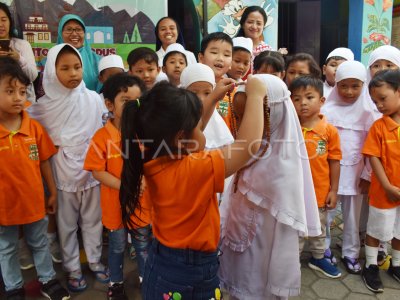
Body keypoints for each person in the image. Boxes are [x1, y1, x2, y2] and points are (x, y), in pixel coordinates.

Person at [119, 75, 265, 299]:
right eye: (198, 126)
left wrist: (214, 97)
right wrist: (256, 95)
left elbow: (191, 135)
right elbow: (246, 147)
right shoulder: (195, 168)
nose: (203, 129)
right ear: (180, 138)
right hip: (191, 271)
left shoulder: (153, 156)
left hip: (161, 263)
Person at [219, 74, 321, 300]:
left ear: (274, 114)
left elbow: (284, 236)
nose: (246, 123)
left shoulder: (284, 165)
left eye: (253, 114)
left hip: (265, 251)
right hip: (238, 238)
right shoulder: (243, 151)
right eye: (240, 116)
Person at [28, 44, 107, 292]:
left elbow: (105, 129)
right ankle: (72, 267)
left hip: (92, 168)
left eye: (77, 67)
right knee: (66, 223)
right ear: (51, 72)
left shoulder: (94, 99)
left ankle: (94, 261)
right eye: (65, 68)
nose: (73, 73)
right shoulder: (41, 107)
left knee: (94, 220)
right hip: (61, 171)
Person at [0, 61, 70, 300]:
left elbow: (44, 162)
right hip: (3, 207)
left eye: (22, 91)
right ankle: (13, 288)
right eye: (9, 91)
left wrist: (52, 192)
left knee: (39, 242)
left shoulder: (34, 128)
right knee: (7, 248)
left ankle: (48, 280)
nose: (18, 98)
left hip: (34, 201)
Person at [84, 73, 152, 299]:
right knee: (116, 247)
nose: (133, 106)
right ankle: (116, 283)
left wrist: (143, 179)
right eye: (125, 100)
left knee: (143, 245)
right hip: (115, 206)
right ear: (109, 104)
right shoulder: (102, 137)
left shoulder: (146, 133)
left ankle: (146, 280)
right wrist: (124, 186)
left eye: (137, 101)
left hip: (142, 205)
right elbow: (97, 170)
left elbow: (151, 163)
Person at [321, 60, 380, 274]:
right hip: (329, 173)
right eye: (343, 85)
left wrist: (367, 175)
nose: (348, 91)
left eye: (355, 86)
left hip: (356, 173)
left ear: (364, 85)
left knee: (353, 217)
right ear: (335, 85)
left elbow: (373, 149)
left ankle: (351, 252)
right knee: (326, 213)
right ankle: (323, 248)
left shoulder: (369, 114)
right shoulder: (326, 110)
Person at [289, 76, 342, 278]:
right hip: (293, 192)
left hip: (320, 192)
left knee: (319, 227)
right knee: (295, 228)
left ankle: (318, 257)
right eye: (296, 98)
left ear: (321, 101)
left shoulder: (329, 131)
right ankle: (291, 261)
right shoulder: (289, 128)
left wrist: (334, 190)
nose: (302, 103)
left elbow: (335, 161)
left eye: (309, 97)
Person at [361, 69, 400, 293]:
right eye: (375, 101)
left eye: (383, 99)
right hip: (383, 191)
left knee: (398, 230)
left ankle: (396, 264)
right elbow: (373, 157)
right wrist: (386, 185)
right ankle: (370, 265)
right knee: (376, 229)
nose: (379, 105)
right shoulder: (379, 126)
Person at [198, 32, 236, 134]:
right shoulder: (191, 88)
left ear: (231, 63)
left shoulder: (234, 91)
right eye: (214, 53)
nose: (220, 58)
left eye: (227, 55)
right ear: (201, 58)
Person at [0, 3, 37, 102]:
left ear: (10, 22)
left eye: (4, 20)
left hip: (23, 102)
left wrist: (19, 59)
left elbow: (33, 76)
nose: (0, 24)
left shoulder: (23, 45)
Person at [56, 14, 102, 92]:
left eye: (78, 29)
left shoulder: (98, 60)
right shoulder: (50, 61)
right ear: (61, 33)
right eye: (69, 29)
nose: (74, 34)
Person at [98, 54, 125, 124]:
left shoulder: (129, 98)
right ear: (100, 78)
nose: (116, 80)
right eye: (111, 77)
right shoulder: (96, 100)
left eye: (119, 76)